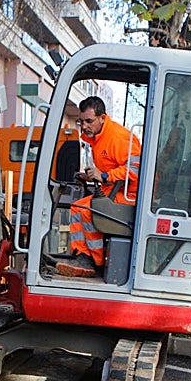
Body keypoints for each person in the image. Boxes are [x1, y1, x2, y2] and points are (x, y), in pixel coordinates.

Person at [55, 97, 141, 278]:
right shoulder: (99, 138)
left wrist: (103, 176)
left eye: (89, 121)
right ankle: (82, 255)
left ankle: (96, 263)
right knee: (77, 207)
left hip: (130, 195)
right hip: (115, 189)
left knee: (87, 210)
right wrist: (93, 176)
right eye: (81, 121)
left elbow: (136, 170)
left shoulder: (117, 138)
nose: (84, 126)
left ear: (102, 118)